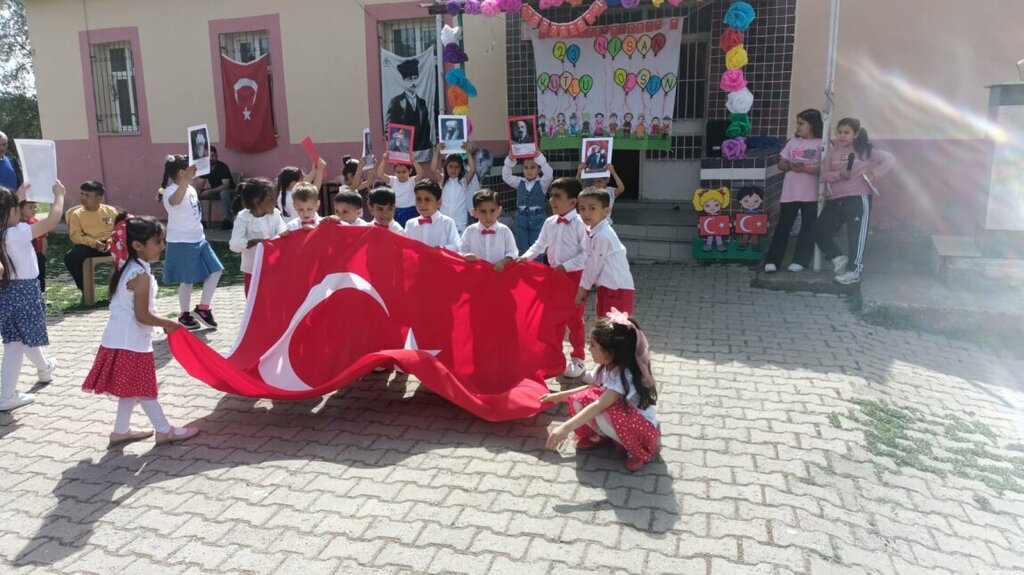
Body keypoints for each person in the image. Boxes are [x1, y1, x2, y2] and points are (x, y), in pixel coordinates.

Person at [82, 213, 199, 445]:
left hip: (121, 340)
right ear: (137, 245)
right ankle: (165, 430)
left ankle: (120, 431)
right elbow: (143, 315)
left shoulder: (129, 266)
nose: (162, 247)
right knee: (145, 389)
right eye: (158, 242)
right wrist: (170, 324)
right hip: (130, 343)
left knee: (132, 388)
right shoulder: (140, 275)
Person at [541, 312, 659, 472]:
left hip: (643, 430)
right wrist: (557, 397)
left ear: (610, 353)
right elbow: (590, 389)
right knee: (579, 399)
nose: (589, 349)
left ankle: (637, 450)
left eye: (593, 345)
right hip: (624, 418)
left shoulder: (623, 376)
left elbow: (598, 405)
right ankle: (603, 436)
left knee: (604, 410)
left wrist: (564, 428)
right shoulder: (605, 366)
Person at [0, 181, 64, 412]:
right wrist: (59, 196)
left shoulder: (3, 231)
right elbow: (52, 220)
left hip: (6, 293)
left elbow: (7, 210)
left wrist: (16, 197)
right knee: (15, 343)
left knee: (19, 335)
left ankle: (44, 368)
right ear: (12, 212)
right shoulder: (17, 233)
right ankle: (6, 396)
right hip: (24, 291)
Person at [517, 177, 588, 379]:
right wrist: (525, 258)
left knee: (574, 320)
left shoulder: (580, 224)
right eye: (550, 196)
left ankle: (578, 358)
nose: (552, 201)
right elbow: (540, 245)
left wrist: (567, 266)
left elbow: (587, 254)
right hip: (554, 278)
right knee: (552, 320)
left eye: (557, 196)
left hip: (574, 278)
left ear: (573, 202)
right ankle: (553, 359)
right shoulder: (550, 222)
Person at [815, 118, 895, 285]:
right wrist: (839, 175)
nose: (842, 136)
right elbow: (824, 175)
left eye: (847, 133)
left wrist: (874, 174)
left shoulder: (864, 150)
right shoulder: (833, 151)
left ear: (856, 134)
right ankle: (837, 257)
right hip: (836, 200)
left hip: (858, 199)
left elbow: (889, 159)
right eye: (840, 132)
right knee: (818, 230)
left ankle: (854, 271)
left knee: (856, 236)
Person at [160, 154, 223, 331]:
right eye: (190, 169)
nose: (195, 171)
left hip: (199, 239)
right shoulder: (171, 191)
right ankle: (184, 315)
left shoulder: (191, 189)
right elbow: (175, 201)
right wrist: (186, 181)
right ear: (182, 172)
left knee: (216, 270)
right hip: (181, 241)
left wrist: (187, 181)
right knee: (187, 280)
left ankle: (203, 309)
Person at [765, 109, 823, 273]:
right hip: (790, 191)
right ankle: (773, 261)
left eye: (801, 123)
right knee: (783, 225)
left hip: (811, 193)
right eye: (797, 123)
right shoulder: (793, 142)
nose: (798, 126)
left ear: (812, 125)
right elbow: (781, 163)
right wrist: (790, 166)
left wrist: (806, 169)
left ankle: (801, 260)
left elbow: (825, 167)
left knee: (808, 227)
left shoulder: (822, 143)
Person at [576, 187, 635, 316]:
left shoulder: (603, 235)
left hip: (617, 290)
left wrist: (584, 287)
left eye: (592, 208)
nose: (586, 213)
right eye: (582, 208)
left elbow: (594, 263)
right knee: (604, 329)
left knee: (615, 332)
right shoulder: (594, 231)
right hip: (606, 289)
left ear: (606, 211)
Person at [228, 178, 287, 297]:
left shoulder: (275, 214)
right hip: (252, 271)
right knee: (254, 303)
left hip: (273, 269)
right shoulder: (243, 217)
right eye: (271, 199)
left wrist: (280, 237)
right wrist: (255, 242)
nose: (274, 203)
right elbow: (234, 245)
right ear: (256, 201)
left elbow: (283, 231)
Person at [63, 180, 119, 295]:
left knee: (130, 253)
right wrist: (94, 243)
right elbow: (76, 236)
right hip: (89, 246)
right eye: (82, 194)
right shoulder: (77, 214)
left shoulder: (111, 211)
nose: (83, 197)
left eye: (87, 195)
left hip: (110, 244)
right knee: (71, 257)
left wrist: (109, 242)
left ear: (99, 197)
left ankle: (120, 290)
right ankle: (85, 290)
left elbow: (118, 232)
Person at [502, 150, 553, 253]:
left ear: (539, 170)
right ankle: (523, 268)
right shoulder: (519, 181)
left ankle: (537, 268)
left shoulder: (542, 183)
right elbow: (506, 177)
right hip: (521, 218)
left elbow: (549, 174)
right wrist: (509, 162)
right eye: (526, 168)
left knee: (537, 247)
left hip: (537, 219)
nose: (529, 171)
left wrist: (541, 161)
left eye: (533, 167)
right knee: (521, 246)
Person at [459, 189, 516, 270]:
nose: (488, 216)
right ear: (474, 212)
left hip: (499, 274)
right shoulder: (470, 231)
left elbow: (512, 252)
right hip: (477, 275)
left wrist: (504, 262)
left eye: (492, 211)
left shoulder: (505, 231)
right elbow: (460, 251)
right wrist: (465, 256)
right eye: (483, 211)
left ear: (499, 210)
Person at [386, 58, 432, 155]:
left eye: (415, 78)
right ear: (403, 81)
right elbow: (389, 127)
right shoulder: (396, 101)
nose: (413, 82)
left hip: (421, 147)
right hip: (404, 149)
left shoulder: (422, 102)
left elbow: (426, 127)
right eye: (409, 79)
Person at [431, 142, 476, 233]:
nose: (453, 170)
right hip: (444, 221)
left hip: (460, 222)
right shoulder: (442, 180)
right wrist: (436, 152)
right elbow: (433, 169)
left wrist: (468, 153)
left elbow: (472, 170)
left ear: (461, 169)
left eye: (457, 167)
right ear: (445, 167)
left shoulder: (463, 182)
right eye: (450, 166)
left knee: (458, 246)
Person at [403, 179, 459, 250]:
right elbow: (405, 247)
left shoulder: (447, 222)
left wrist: (443, 248)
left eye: (427, 199)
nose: (422, 204)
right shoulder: (410, 224)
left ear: (439, 203)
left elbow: (456, 246)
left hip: (439, 260)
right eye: (418, 199)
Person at [376, 152, 425, 228]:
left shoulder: (412, 181)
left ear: (410, 171)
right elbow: (380, 174)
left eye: (404, 172)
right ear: (395, 172)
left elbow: (421, 174)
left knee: (410, 234)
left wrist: (414, 161)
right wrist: (384, 160)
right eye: (398, 172)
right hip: (396, 212)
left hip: (411, 211)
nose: (401, 174)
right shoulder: (392, 180)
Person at [197, 146, 237, 230]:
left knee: (224, 193)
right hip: (215, 192)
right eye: (209, 156)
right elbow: (200, 184)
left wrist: (210, 191)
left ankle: (228, 221)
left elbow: (225, 185)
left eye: (213, 156)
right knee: (196, 195)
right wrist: (198, 191)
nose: (211, 158)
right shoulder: (205, 167)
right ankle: (201, 221)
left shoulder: (222, 167)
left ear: (217, 156)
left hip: (230, 191)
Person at [19, 200, 47, 291]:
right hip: (24, 256)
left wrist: (43, 254)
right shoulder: (17, 224)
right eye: (30, 207)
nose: (34, 209)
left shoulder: (37, 223)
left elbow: (44, 239)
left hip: (37, 254)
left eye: (35, 207)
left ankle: (40, 295)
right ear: (21, 209)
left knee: (40, 275)